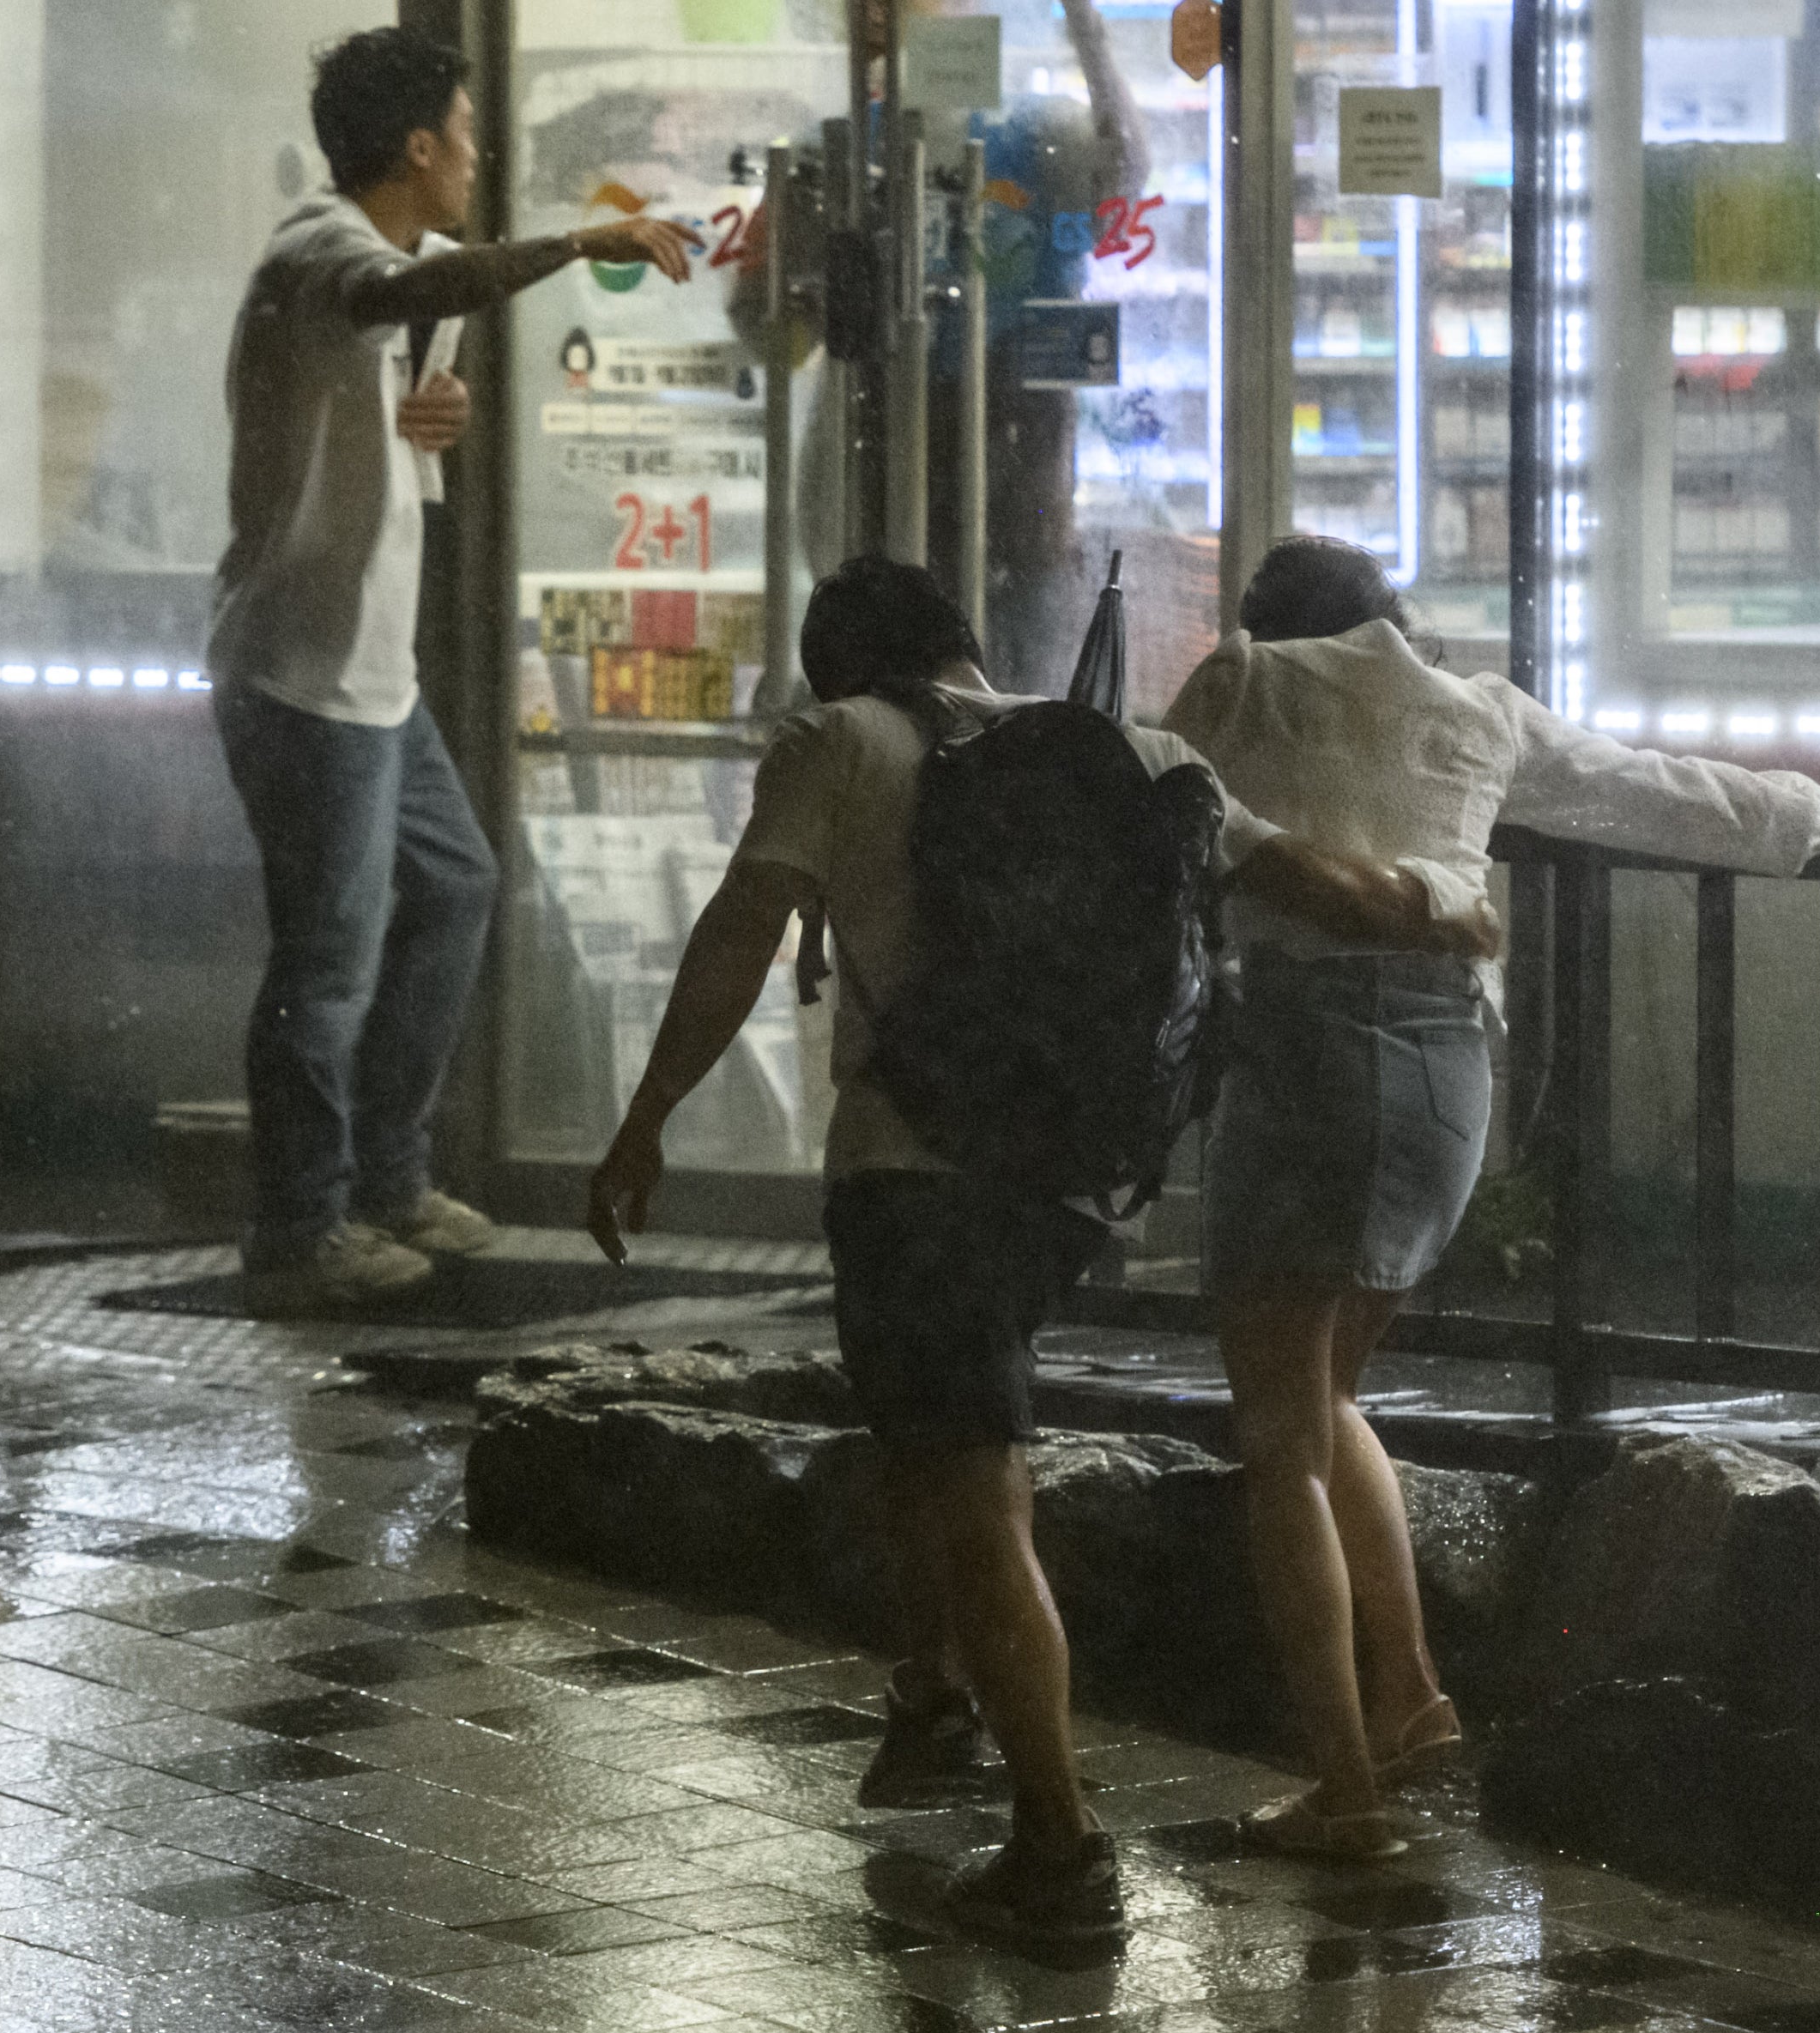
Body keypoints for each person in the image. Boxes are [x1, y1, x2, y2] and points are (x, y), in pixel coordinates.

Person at [584, 557, 1491, 1945]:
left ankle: (1059, 1850)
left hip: (914, 1173)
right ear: (963, 643)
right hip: (1070, 1184)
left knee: (977, 1488)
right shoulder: (1135, 750)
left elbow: (738, 929)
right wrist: (1446, 907)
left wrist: (647, 1117)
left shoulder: (839, 741)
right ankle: (934, 1690)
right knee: (933, 1440)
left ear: (840, 668)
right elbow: (1314, 882)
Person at [1163, 535, 1820, 1859]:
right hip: (1446, 1071)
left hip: (1306, 1056)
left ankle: (1343, 1790)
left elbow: (1155, 814)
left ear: (1264, 623)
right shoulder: (1475, 711)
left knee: (1280, 1432)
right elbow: (1677, 793)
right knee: (1327, 1397)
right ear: (1395, 621)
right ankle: (1410, 1698)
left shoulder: (1238, 686)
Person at [208, 27, 698, 1313]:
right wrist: (582, 241)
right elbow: (404, 292)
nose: (478, 157)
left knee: (457, 883)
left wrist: (433, 424)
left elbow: (377, 418)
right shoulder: (322, 251)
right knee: (326, 965)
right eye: (469, 135)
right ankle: (299, 1226)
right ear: (418, 147)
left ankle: (387, 1177)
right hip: (304, 677)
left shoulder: (380, 274)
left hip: (372, 677)